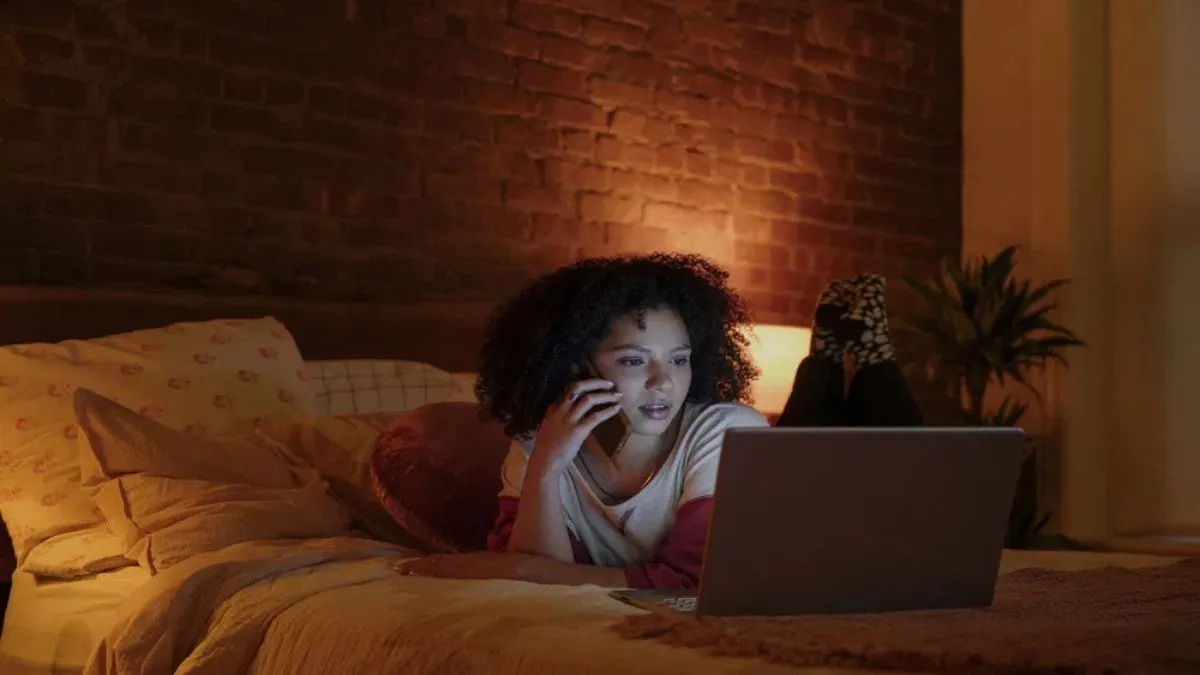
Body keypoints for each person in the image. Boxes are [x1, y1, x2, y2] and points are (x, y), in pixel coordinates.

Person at [394, 254, 923, 588]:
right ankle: (827, 359)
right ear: (573, 366)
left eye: (679, 358)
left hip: (819, 531)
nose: (663, 382)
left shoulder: (720, 430)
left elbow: (692, 581)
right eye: (632, 360)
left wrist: (530, 569)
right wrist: (549, 467)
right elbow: (539, 589)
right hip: (770, 483)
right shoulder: (536, 449)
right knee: (809, 424)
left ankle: (842, 358)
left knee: (892, 457)